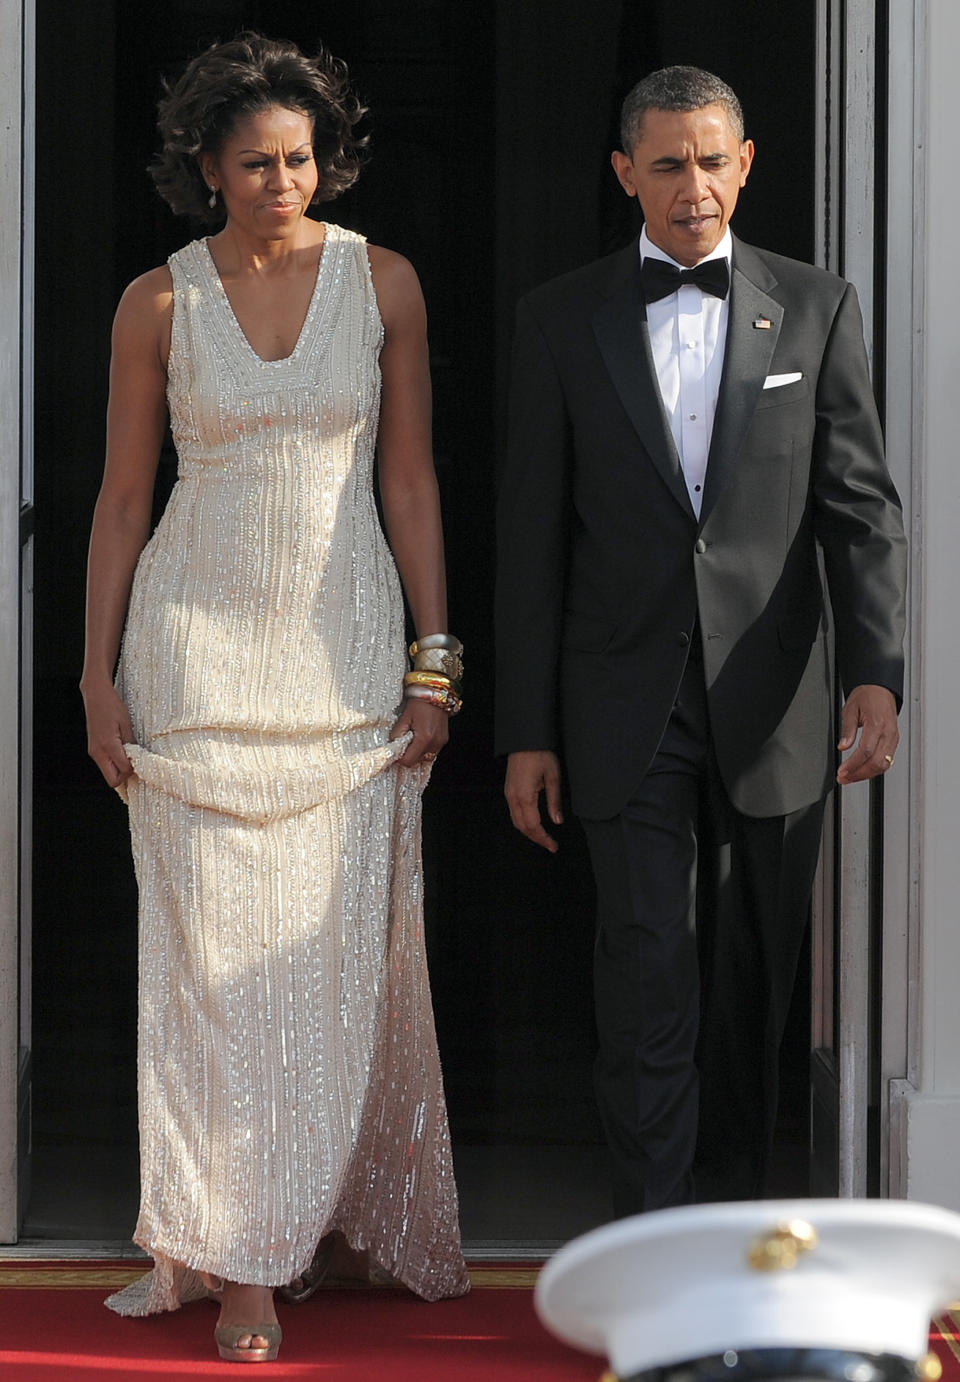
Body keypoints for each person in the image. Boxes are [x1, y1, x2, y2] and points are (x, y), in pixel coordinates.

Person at [80, 32, 468, 1364]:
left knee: (323, 970)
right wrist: (94, 675)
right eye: (255, 162)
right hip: (188, 661)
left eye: (302, 158)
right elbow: (125, 498)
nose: (284, 182)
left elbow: (409, 482)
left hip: (348, 657)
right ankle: (234, 1258)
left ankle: (313, 1215)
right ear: (205, 169)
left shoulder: (389, 284)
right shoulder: (160, 303)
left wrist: (437, 658)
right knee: (204, 984)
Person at [495, 66, 907, 1214]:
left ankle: (728, 1228)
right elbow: (531, 542)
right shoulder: (559, 317)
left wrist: (878, 671)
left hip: (776, 699)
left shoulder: (816, 307)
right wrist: (526, 729)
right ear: (626, 173)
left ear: (747, 162)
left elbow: (861, 508)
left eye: (712, 159)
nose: (694, 186)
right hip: (623, 699)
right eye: (668, 163)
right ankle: (656, 1239)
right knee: (646, 972)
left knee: (750, 984)